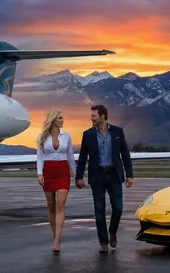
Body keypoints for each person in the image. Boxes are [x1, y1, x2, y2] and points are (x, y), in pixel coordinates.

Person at [74, 104, 134, 254]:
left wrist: (130, 175)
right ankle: (103, 242)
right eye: (91, 116)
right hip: (97, 176)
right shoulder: (87, 134)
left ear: (103, 116)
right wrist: (79, 177)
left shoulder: (117, 132)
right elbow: (82, 157)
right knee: (99, 211)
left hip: (114, 175)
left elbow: (125, 153)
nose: (91, 118)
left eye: (94, 116)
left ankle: (112, 231)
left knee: (118, 209)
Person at [35, 108, 76, 254]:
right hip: (48, 171)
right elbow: (40, 157)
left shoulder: (66, 136)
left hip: (63, 172)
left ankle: (57, 239)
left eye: (62, 118)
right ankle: (55, 236)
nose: (62, 120)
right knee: (51, 205)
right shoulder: (41, 137)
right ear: (52, 120)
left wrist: (76, 175)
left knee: (60, 205)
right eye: (60, 118)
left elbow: (70, 157)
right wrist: (39, 173)